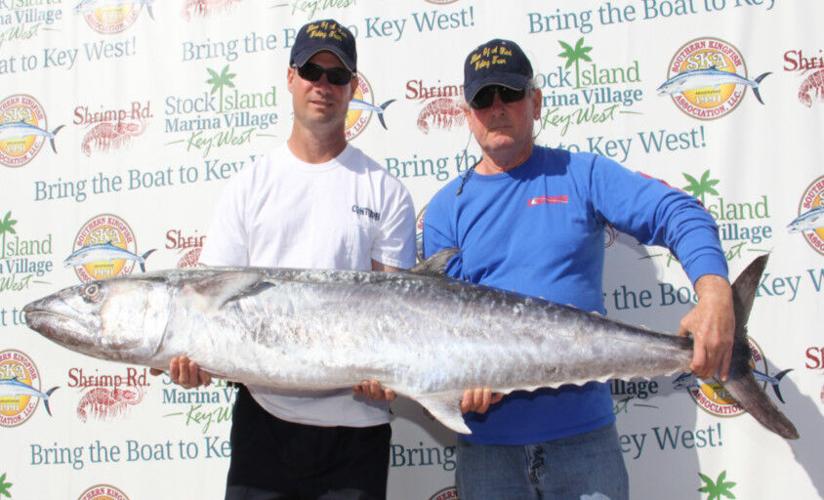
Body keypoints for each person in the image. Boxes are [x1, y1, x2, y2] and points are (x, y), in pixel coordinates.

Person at [422, 39, 734, 500]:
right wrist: (455, 381)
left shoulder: (580, 174)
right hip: (487, 452)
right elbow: (442, 328)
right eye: (483, 99)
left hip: (584, 445)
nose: (497, 109)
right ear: (468, 113)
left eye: (508, 93)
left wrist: (715, 293)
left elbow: (677, 211)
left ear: (536, 101)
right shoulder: (446, 208)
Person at [151, 19, 416, 500]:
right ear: (291, 77)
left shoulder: (386, 191)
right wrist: (189, 359)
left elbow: (396, 314)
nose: (324, 85)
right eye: (313, 70)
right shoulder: (250, 186)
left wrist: (393, 374)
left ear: (354, 87)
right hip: (264, 430)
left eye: (338, 76)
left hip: (357, 432)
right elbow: (210, 307)